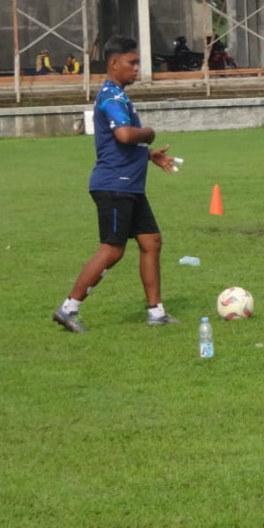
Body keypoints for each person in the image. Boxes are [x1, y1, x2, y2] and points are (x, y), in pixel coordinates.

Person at [53, 36, 179, 332]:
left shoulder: (119, 95)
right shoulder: (111, 97)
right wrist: (149, 133)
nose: (137, 68)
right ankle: (68, 309)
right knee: (112, 250)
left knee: (151, 241)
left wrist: (148, 155)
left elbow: (118, 144)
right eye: (132, 63)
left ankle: (156, 313)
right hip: (114, 186)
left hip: (129, 185)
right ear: (114, 63)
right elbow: (124, 135)